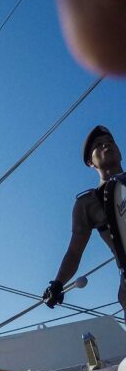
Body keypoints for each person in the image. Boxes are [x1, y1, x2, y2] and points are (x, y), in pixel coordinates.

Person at [43, 126, 126, 315]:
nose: (106, 144)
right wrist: (57, 284)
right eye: (98, 145)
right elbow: (74, 252)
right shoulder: (88, 203)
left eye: (111, 142)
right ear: (90, 162)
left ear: (120, 152)